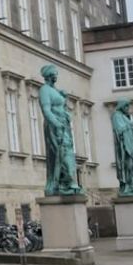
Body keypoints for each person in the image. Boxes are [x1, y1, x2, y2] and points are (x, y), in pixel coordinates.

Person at [37, 64, 82, 195]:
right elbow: (46, 110)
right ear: (49, 75)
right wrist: (56, 124)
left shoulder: (55, 90)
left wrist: (63, 97)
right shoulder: (44, 90)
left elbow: (62, 107)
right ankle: (65, 183)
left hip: (64, 126)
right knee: (61, 153)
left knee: (67, 152)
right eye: (54, 73)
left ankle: (67, 183)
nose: (56, 75)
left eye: (56, 73)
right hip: (54, 126)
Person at [111, 98, 133, 195]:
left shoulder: (124, 117)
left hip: (131, 145)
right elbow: (120, 130)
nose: (128, 108)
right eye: (127, 106)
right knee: (128, 166)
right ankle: (127, 186)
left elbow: (130, 132)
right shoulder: (116, 115)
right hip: (124, 147)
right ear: (122, 106)